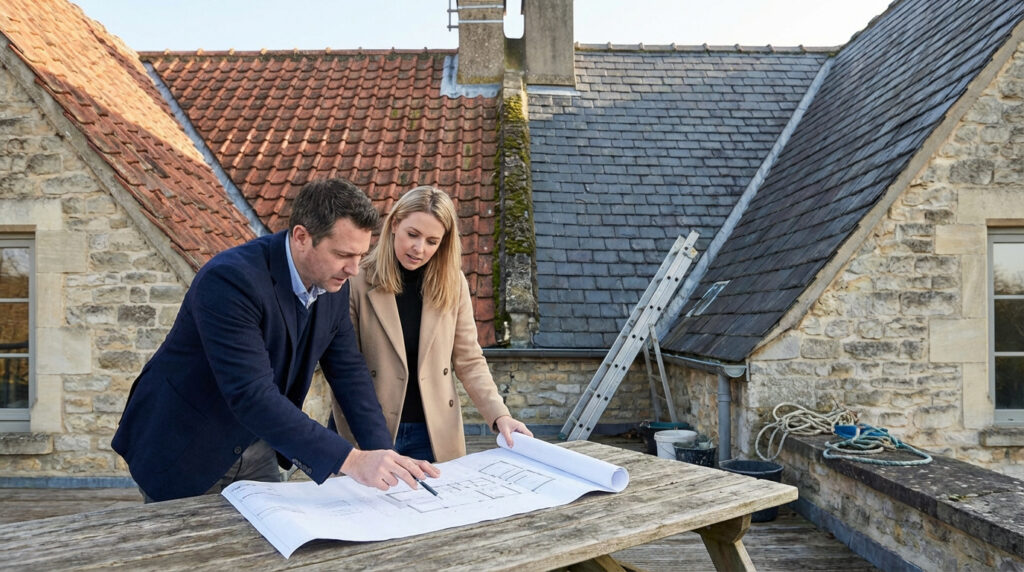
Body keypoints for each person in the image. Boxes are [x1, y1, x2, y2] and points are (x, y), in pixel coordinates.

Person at [112, 178, 439, 502]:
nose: (355, 269)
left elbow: (349, 372)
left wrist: (382, 452)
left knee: (268, 545)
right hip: (184, 446)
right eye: (343, 254)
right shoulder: (229, 281)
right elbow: (252, 394)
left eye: (360, 255)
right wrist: (351, 461)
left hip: (259, 445)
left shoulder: (334, 283)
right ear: (301, 237)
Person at [332, 185, 532, 463]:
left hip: (434, 434)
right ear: (395, 224)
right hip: (369, 431)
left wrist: (500, 416)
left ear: (443, 243)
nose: (419, 248)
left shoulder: (453, 284)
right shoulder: (356, 281)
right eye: (412, 234)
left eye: (431, 241)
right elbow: (344, 368)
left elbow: (469, 360)